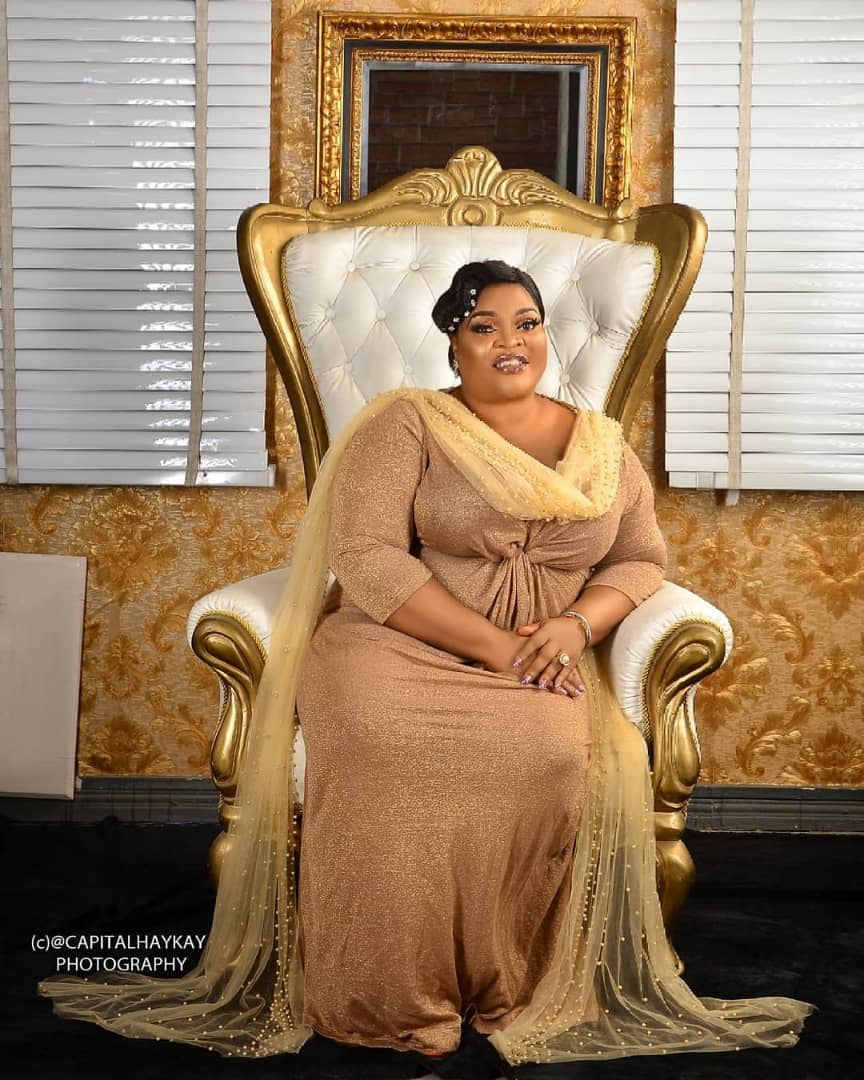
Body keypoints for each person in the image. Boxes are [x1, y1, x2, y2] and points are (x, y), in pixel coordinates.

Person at [38, 260, 812, 1071]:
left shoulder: (603, 445)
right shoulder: (407, 424)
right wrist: (499, 647)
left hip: (542, 656)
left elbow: (640, 560)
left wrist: (577, 623)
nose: (511, 341)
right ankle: (387, 996)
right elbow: (365, 556)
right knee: (381, 739)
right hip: (397, 646)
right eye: (484, 326)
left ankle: (507, 983)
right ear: (453, 343)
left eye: (527, 323)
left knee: (550, 753)